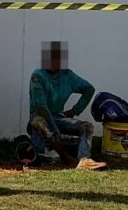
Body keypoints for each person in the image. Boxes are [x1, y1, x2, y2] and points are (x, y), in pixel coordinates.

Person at [28, 41, 107, 170]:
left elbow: (89, 89)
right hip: (39, 117)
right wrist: (55, 130)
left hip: (58, 118)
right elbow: (41, 107)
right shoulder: (37, 76)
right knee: (40, 123)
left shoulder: (67, 75)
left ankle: (84, 160)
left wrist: (75, 110)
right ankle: (65, 158)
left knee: (87, 127)